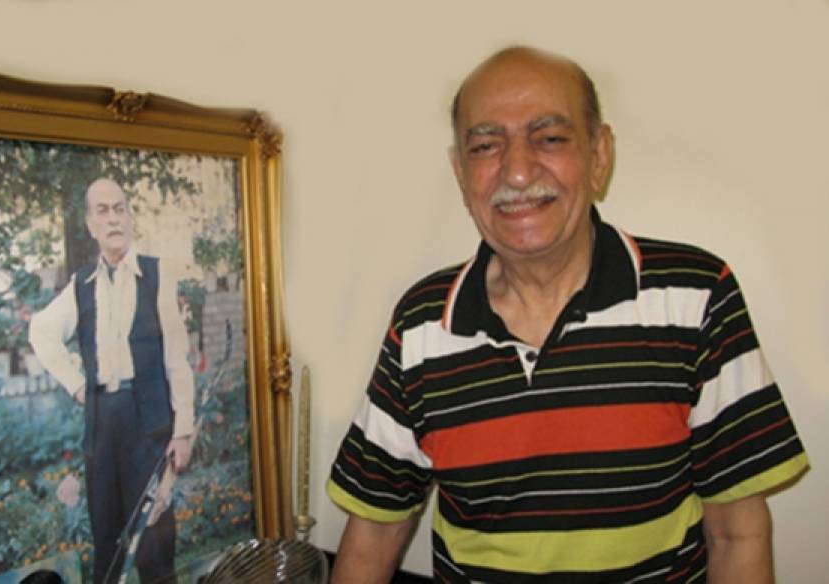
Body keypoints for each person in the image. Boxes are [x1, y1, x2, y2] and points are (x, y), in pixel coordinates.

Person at [326, 47, 809, 583]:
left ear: (599, 156)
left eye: (550, 138)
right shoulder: (421, 324)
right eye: (485, 146)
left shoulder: (695, 297)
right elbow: (375, 534)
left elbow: (737, 533)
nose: (516, 171)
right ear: (461, 173)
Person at [30, 177, 194, 584]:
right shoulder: (81, 285)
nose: (113, 218)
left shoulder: (156, 275)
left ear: (130, 217)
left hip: (148, 426)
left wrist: (183, 429)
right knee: (107, 543)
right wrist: (78, 384)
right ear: (91, 224)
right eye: (102, 211)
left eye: (120, 209)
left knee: (155, 546)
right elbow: (41, 331)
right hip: (102, 427)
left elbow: (176, 357)